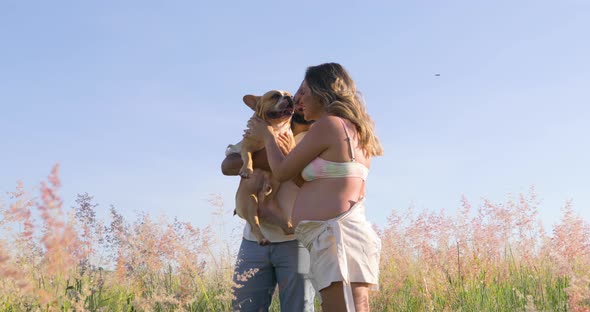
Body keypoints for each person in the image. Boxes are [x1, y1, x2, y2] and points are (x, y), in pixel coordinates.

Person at [246, 63, 383, 311]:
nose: (297, 100)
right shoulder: (353, 130)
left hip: (336, 238)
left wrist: (267, 136)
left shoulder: (328, 125)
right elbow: (310, 182)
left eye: (303, 92)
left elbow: (282, 171)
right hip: (335, 236)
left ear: (322, 91)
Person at [221, 86, 315, 312]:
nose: (296, 101)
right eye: (296, 96)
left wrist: (283, 158)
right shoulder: (265, 130)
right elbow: (228, 165)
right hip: (253, 241)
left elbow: (308, 183)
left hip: (297, 239)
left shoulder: (318, 139)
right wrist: (273, 150)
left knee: (298, 308)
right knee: (244, 307)